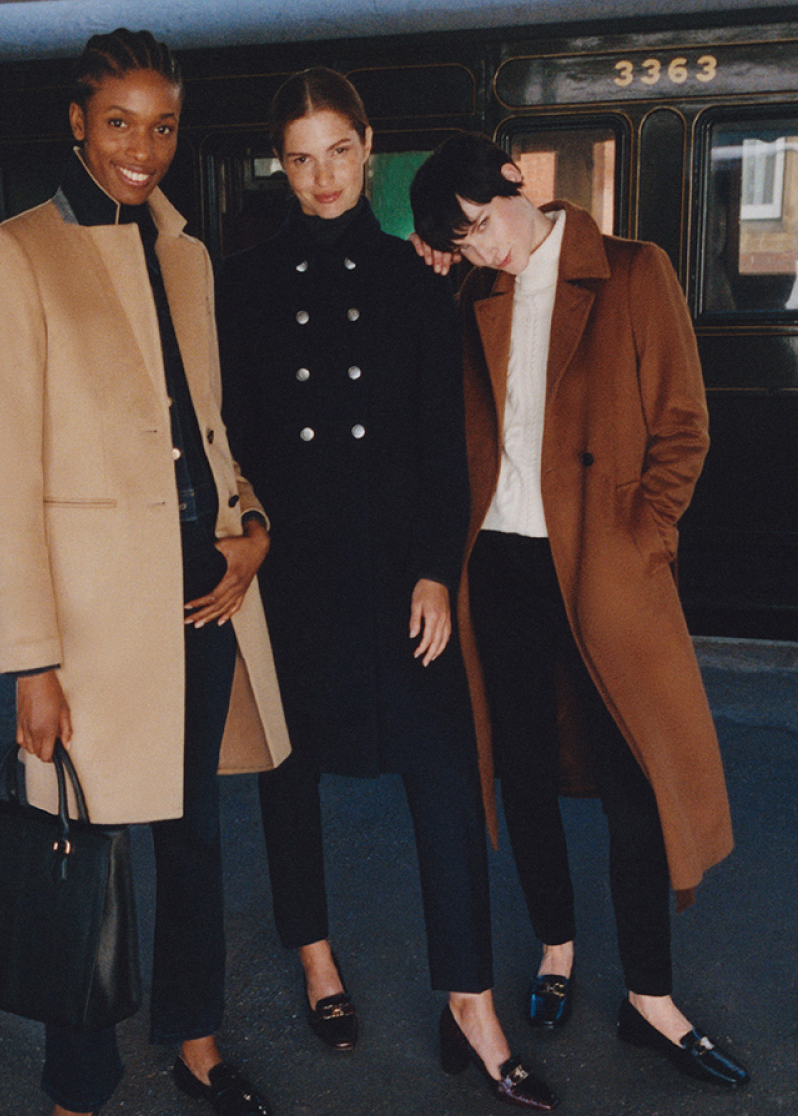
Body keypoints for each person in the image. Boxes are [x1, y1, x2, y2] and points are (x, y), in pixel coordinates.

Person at [216, 71, 555, 1111]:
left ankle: (471, 997)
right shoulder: (244, 280)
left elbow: (443, 451)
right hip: (294, 569)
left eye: (338, 151)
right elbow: (229, 435)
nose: (321, 176)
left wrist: (431, 572)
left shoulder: (421, 283)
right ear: (284, 163)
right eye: (300, 156)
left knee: (446, 772)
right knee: (291, 770)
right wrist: (240, 539)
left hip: (396, 566)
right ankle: (315, 955)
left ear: (369, 148)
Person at [0, 29, 291, 1116]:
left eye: (162, 127)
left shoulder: (185, 254)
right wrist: (33, 662)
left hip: (203, 597)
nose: (141, 149)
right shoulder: (14, 254)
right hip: (93, 625)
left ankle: (196, 1038)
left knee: (194, 840)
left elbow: (206, 430)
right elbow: (4, 481)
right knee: (83, 856)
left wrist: (250, 528)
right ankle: (78, 1083)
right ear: (76, 121)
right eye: (119, 123)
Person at [408, 132, 750, 1090]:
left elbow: (685, 423)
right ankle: (556, 948)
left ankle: (652, 997)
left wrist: (647, 541)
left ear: (517, 183)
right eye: (461, 240)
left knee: (634, 781)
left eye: (482, 225)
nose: (485, 249)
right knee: (521, 771)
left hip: (602, 566)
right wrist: (437, 265)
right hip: (503, 569)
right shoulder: (468, 289)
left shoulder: (635, 272)